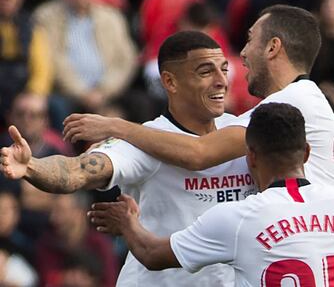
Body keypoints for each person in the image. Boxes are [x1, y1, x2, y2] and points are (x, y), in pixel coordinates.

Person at [63, 4, 334, 218]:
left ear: (273, 47)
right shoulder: (304, 100)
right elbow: (323, 189)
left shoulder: (288, 105)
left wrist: (116, 126)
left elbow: (199, 154)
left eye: (250, 40)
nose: (242, 54)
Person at [0, 31, 254, 286]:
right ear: (170, 82)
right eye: (205, 72)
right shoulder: (142, 142)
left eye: (224, 69)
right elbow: (77, 171)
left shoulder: (243, 133)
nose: (222, 81)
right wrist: (31, 166)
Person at [88, 102, 334, 286]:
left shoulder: (239, 217)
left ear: (251, 157)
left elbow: (153, 255)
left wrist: (127, 223)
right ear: (308, 152)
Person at [33, 0, 136, 116]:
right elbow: (53, 60)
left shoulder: (112, 17)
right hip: (67, 93)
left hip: (108, 92)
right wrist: (82, 93)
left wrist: (104, 89)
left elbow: (125, 59)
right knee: (57, 106)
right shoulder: (45, 16)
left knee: (141, 103)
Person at [0, 0, 53, 125]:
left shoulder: (31, 26)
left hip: (23, 90)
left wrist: (33, 93)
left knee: (47, 108)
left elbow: (42, 68)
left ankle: (50, 147)